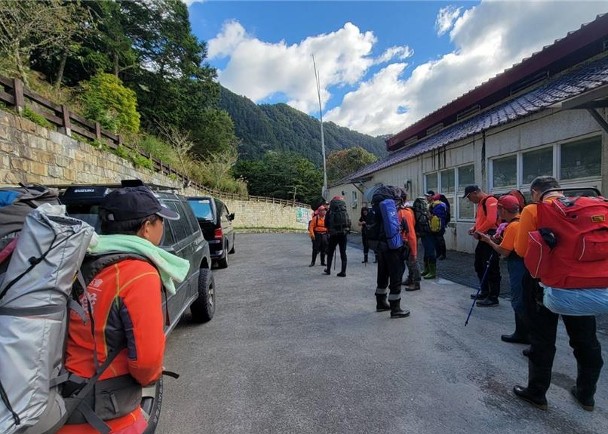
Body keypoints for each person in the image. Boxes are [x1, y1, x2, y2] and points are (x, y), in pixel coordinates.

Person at [58, 186, 188, 434]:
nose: (163, 227)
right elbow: (147, 364)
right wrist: (150, 376)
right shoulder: (138, 274)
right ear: (147, 227)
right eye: (160, 220)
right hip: (106, 417)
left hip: (63, 404)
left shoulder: (84, 261)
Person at [512, 176, 603, 411]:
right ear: (559, 190)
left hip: (543, 283)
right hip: (585, 284)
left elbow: (522, 249)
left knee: (542, 340)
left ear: (535, 192)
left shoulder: (534, 210)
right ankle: (586, 394)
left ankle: (537, 392)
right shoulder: (586, 206)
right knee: (585, 339)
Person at [477, 194, 529, 344]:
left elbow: (504, 251)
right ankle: (526, 332)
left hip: (517, 264)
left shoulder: (512, 226)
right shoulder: (523, 222)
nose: (497, 213)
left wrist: (489, 241)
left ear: (503, 210)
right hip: (527, 263)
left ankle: (522, 333)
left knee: (518, 298)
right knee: (526, 297)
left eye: (499, 210)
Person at [372, 187, 410, 318]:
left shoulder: (379, 209)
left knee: (382, 274)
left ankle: (380, 303)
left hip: (381, 246)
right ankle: (396, 308)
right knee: (396, 276)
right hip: (393, 247)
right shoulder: (397, 211)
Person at [464, 185, 501, 307]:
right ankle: (485, 291)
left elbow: (491, 221)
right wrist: (474, 228)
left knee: (491, 267)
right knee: (479, 265)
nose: (469, 200)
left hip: (490, 237)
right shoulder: (481, 203)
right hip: (482, 236)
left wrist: (478, 231)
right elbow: (481, 220)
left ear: (475, 193)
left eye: (469, 196)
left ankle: (493, 296)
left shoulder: (490, 201)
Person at [398, 190, 420, 291]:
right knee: (409, 261)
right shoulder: (408, 210)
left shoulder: (402, 212)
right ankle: (410, 279)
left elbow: (406, 228)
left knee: (413, 261)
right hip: (409, 238)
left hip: (408, 239)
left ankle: (416, 283)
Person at [324, 196, 350, 277]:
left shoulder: (330, 211)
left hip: (334, 235)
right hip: (343, 234)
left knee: (330, 252)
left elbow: (326, 223)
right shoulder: (344, 211)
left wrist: (330, 230)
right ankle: (343, 271)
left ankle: (328, 270)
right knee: (343, 253)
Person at [425, 193, 448, 278]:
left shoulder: (439, 205)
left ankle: (442, 254)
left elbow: (437, 215)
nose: (427, 198)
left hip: (439, 225)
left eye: (428, 196)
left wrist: (430, 214)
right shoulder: (434, 205)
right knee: (436, 240)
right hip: (435, 225)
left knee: (440, 239)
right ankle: (439, 253)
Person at [412, 197, 435, 280]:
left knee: (430, 251)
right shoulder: (425, 211)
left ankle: (432, 272)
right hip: (425, 234)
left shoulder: (424, 212)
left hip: (428, 233)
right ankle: (427, 270)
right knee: (427, 252)